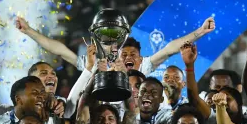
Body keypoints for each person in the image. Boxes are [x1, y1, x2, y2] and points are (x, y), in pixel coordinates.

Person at [14, 16, 216, 76]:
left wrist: (199, 32)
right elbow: (59, 50)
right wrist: (29, 30)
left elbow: (171, 48)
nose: (111, 44)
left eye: (115, 38)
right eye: (105, 39)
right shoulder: (91, 63)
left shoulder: (141, 65)